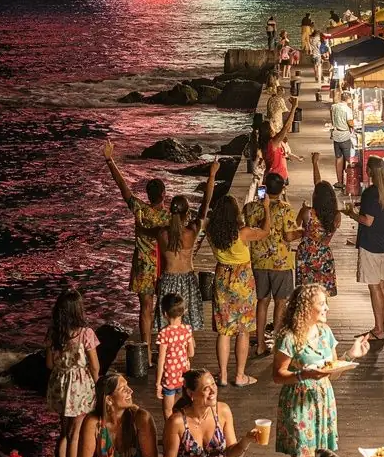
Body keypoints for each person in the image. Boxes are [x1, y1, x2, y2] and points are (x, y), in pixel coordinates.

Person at [272, 283, 370, 457]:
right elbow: (277, 375)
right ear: (306, 307)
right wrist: (303, 374)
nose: (326, 307)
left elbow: (332, 370)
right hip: (298, 402)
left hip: (322, 400)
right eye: (321, 303)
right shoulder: (289, 337)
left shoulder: (325, 333)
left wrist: (350, 355)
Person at [104, 141, 169, 361]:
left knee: (145, 308)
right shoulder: (168, 217)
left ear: (149, 195)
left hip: (143, 266)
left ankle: (147, 351)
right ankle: (163, 349)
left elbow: (124, 190)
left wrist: (110, 161)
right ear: (163, 194)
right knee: (164, 308)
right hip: (163, 265)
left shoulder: (140, 211)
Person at [160, 368, 258, 457]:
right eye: (206, 388)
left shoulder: (222, 411)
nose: (213, 391)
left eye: (214, 384)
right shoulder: (177, 421)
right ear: (191, 394)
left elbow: (230, 453)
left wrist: (247, 440)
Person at [205, 187, 269, 386]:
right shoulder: (242, 233)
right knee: (243, 329)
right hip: (242, 280)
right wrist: (266, 208)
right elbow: (266, 232)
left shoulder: (211, 231)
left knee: (224, 330)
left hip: (222, 277)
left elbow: (205, 211)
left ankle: (223, 376)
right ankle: (240, 375)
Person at [45, 286, 100, 457]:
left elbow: (49, 364)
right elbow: (94, 365)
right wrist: (96, 383)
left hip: (60, 384)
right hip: (80, 385)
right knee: (75, 433)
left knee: (63, 433)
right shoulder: (86, 333)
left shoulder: (54, 334)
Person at [154, 164, 219, 333]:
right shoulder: (191, 231)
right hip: (187, 280)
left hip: (168, 279)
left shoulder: (162, 234)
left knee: (167, 327)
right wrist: (212, 175)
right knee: (187, 325)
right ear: (187, 213)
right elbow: (205, 204)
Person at [249, 172, 300, 358]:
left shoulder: (251, 208)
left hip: (259, 261)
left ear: (264, 186)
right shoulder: (285, 209)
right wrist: (301, 231)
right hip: (281, 262)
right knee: (280, 302)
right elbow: (289, 235)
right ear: (282, 189)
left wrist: (261, 195)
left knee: (262, 301)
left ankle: (260, 343)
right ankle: (279, 344)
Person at [345, 155, 384, 342]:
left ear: (369, 172)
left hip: (371, 244)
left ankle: (379, 329)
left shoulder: (370, 194)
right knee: (383, 285)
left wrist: (352, 214)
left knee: (374, 288)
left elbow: (367, 221)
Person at [295, 154, 341, 294]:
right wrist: (315, 164)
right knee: (321, 292)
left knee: (305, 293)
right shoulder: (335, 215)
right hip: (323, 255)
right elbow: (319, 187)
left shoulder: (307, 213)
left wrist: (302, 210)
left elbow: (294, 227)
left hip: (306, 255)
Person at [155, 292, 196, 419]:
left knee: (168, 410)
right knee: (182, 406)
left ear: (165, 314)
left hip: (169, 377)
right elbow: (191, 353)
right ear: (183, 312)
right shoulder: (187, 330)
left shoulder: (164, 333)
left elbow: (161, 360)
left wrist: (158, 384)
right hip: (183, 374)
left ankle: (169, 432)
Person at [262, 96, 299, 182]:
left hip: (269, 177)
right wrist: (294, 107)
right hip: (277, 178)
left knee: (263, 193)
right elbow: (286, 127)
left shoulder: (264, 144)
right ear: (270, 131)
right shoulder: (273, 143)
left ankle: (262, 194)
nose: (274, 128)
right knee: (273, 194)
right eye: (272, 127)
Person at [329, 92, 354, 190]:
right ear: (348, 99)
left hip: (336, 135)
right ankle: (350, 181)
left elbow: (332, 117)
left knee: (338, 158)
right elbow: (350, 122)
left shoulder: (334, 106)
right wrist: (353, 126)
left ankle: (339, 181)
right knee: (349, 159)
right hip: (345, 136)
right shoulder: (347, 109)